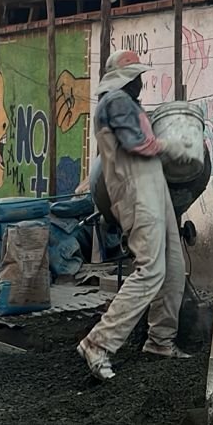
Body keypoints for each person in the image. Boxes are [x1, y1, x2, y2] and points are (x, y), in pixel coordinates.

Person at [77, 50, 188, 380]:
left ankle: (160, 341)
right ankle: (98, 343)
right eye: (137, 76)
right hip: (136, 192)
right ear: (125, 79)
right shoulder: (116, 101)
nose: (141, 81)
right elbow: (137, 143)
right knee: (151, 270)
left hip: (153, 189)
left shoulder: (124, 103)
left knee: (173, 267)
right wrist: (172, 146)